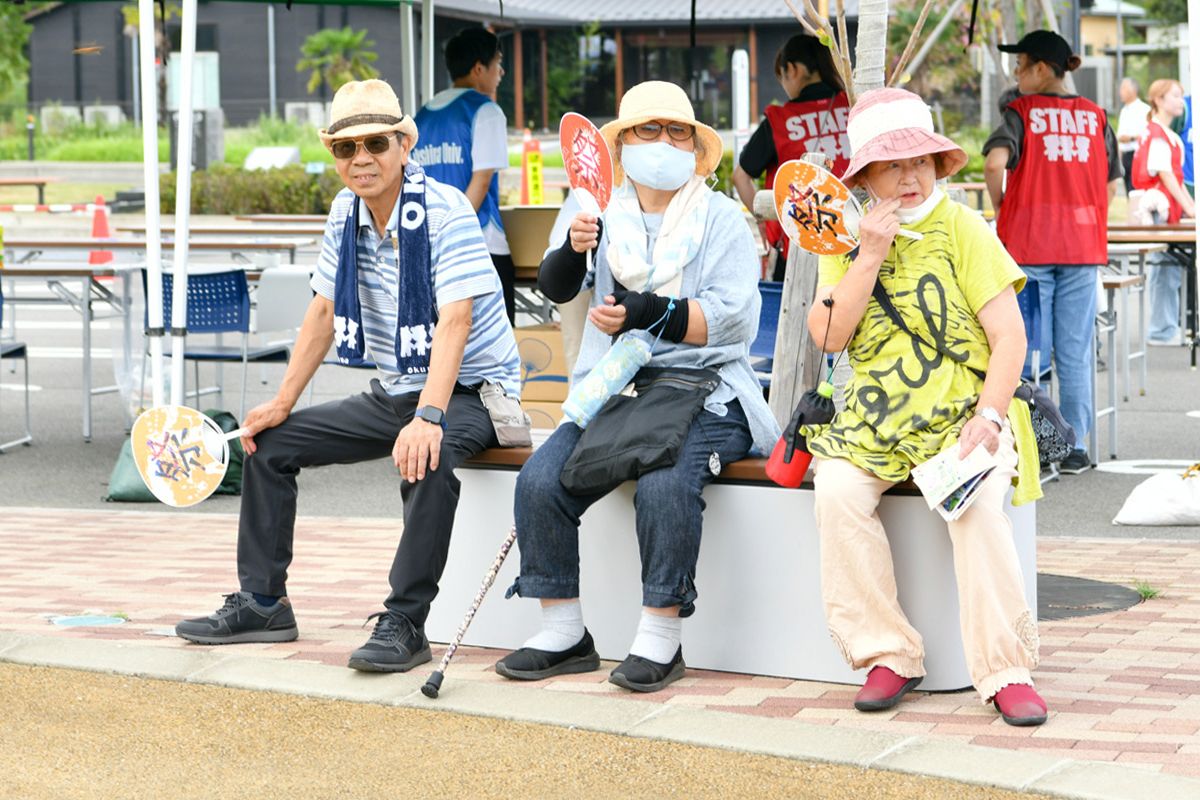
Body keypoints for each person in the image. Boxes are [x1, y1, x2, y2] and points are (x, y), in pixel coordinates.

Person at [175, 79, 521, 673]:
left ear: (404, 144)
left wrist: (429, 417)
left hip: (472, 393)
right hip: (395, 388)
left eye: (376, 143)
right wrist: (281, 401)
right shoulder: (345, 212)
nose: (362, 158)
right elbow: (322, 310)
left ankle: (407, 623)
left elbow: (456, 320)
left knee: (427, 456)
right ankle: (263, 603)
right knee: (268, 445)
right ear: (335, 157)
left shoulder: (446, 210)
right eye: (346, 148)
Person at [493, 82, 779, 693]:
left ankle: (660, 637)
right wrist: (574, 247)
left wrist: (649, 312)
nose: (663, 143)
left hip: (706, 389)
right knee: (540, 478)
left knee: (665, 483)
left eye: (677, 131)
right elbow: (556, 287)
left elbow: (733, 320)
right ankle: (563, 632)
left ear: (696, 148)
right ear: (620, 145)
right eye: (647, 130)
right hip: (615, 389)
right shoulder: (594, 206)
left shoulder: (723, 217)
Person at [804, 87, 1046, 727]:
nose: (908, 176)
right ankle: (888, 652)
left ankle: (1005, 671)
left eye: (919, 161)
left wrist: (989, 417)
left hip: (963, 416)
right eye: (891, 165)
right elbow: (827, 337)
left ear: (939, 165)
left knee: (978, 505)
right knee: (835, 492)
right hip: (873, 424)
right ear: (866, 176)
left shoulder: (964, 227)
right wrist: (870, 255)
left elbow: (1010, 337)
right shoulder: (848, 241)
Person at [983, 30, 1122, 476]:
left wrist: (1002, 204)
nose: (1016, 74)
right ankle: (1075, 444)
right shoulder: (1097, 117)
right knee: (1075, 350)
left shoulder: (1020, 113)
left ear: (1042, 68)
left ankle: (1032, 441)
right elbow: (1112, 182)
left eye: (1020, 65)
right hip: (1083, 248)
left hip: (1028, 244)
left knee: (1023, 349)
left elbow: (992, 163)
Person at [413, 26, 516, 323]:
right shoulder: (485, 111)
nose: (502, 71)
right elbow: (481, 181)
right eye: (497, 63)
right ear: (478, 68)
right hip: (481, 245)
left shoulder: (422, 115)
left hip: (430, 246)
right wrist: (456, 230)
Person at [732, 33, 849, 278]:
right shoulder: (854, 107)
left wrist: (763, 217)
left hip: (797, 249)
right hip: (852, 243)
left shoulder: (780, 121)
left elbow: (740, 176)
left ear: (793, 69)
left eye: (781, 76)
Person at [1132, 79, 1195, 346]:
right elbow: (1166, 175)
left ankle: (1166, 326)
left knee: (1168, 271)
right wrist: (1191, 208)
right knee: (1164, 271)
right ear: (1158, 99)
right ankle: (1161, 329)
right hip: (1160, 209)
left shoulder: (1162, 132)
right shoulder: (1157, 133)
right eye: (1175, 96)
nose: (1180, 101)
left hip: (1167, 208)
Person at [1116, 77, 1151, 194]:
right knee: (1128, 191)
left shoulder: (1144, 109)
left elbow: (1147, 133)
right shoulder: (1124, 111)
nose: (1120, 91)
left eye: (1123, 88)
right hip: (1125, 156)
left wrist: (1130, 138)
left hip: (1138, 155)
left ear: (1133, 90)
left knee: (1137, 191)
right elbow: (1120, 136)